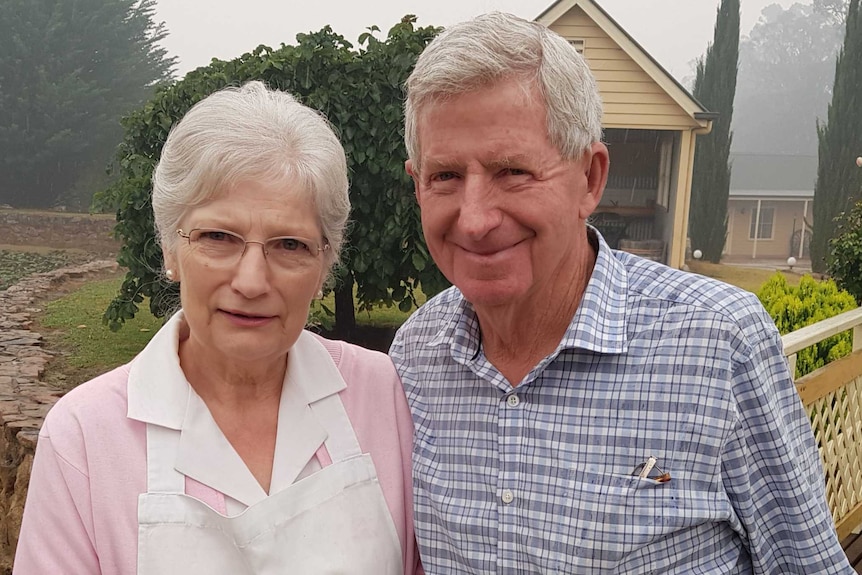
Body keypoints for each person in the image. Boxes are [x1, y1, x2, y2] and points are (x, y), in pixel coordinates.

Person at [390, 12, 853, 574]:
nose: (475, 218)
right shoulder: (414, 358)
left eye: (512, 171)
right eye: (445, 177)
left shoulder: (717, 342)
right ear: (417, 185)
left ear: (590, 178)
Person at [14, 81, 419, 574]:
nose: (251, 281)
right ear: (170, 248)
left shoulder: (384, 395)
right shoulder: (84, 436)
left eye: (290, 245)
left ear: (325, 265)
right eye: (218, 237)